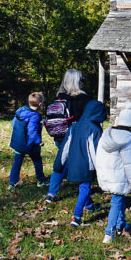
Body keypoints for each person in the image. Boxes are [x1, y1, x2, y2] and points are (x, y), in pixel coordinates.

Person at [53, 99, 106, 227]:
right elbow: (95, 151)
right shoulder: (95, 129)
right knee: (84, 188)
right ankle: (76, 216)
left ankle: (90, 206)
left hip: (73, 163)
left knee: (83, 187)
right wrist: (100, 170)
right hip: (87, 165)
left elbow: (65, 147)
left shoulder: (74, 126)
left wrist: (59, 164)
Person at [95, 101, 131, 243]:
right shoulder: (129, 139)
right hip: (119, 176)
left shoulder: (106, 134)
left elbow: (99, 156)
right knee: (116, 200)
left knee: (119, 198)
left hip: (106, 174)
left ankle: (121, 224)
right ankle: (109, 233)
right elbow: (130, 165)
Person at [45, 69, 91, 204]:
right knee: (82, 167)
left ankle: (51, 193)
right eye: (82, 80)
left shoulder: (60, 97)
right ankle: (87, 202)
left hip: (60, 136)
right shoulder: (83, 99)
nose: (83, 82)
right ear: (77, 82)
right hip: (76, 137)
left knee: (60, 162)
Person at [8, 92, 48, 190]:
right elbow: (32, 131)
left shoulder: (20, 111)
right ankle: (41, 180)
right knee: (37, 160)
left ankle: (12, 183)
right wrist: (39, 141)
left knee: (17, 162)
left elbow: (14, 124)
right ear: (39, 104)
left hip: (18, 142)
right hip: (30, 144)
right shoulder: (34, 116)